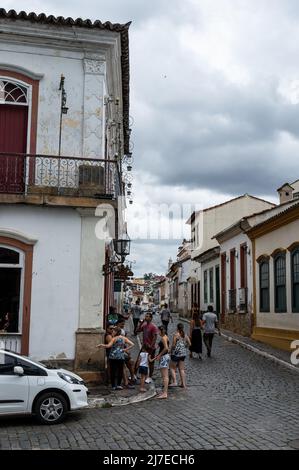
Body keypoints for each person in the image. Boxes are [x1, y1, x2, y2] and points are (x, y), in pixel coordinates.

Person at [136, 312, 159, 383]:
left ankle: (149, 377)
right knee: (138, 360)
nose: (147, 317)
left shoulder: (153, 327)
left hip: (151, 347)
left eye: (148, 316)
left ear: (151, 318)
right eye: (146, 316)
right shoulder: (144, 325)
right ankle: (134, 375)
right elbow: (137, 330)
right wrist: (141, 323)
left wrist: (151, 346)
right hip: (144, 346)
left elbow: (155, 337)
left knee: (150, 362)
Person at [169, 323, 191, 389]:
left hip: (176, 354)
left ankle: (175, 381)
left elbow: (173, 345)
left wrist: (170, 350)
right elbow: (189, 344)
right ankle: (183, 385)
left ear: (177, 328)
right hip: (183, 354)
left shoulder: (176, 335)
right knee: (181, 369)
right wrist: (184, 347)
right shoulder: (185, 335)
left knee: (171, 368)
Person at [152, 325, 170, 399]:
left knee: (165, 376)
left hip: (164, 357)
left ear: (160, 330)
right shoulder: (165, 337)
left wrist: (159, 355)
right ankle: (164, 392)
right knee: (165, 376)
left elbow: (166, 348)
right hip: (165, 357)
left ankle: (165, 393)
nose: (157, 332)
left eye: (158, 330)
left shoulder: (163, 338)